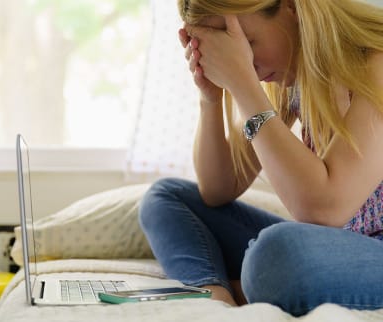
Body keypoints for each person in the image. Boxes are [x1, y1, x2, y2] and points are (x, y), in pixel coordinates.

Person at [138, 0, 383, 316]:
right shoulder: (298, 77)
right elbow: (218, 189)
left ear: (291, 7)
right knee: (166, 197)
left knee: (276, 254)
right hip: (337, 247)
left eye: (247, 43)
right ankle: (214, 296)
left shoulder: (376, 63)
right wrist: (210, 96)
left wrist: (242, 83)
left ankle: (252, 282)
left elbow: (325, 208)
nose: (244, 61)